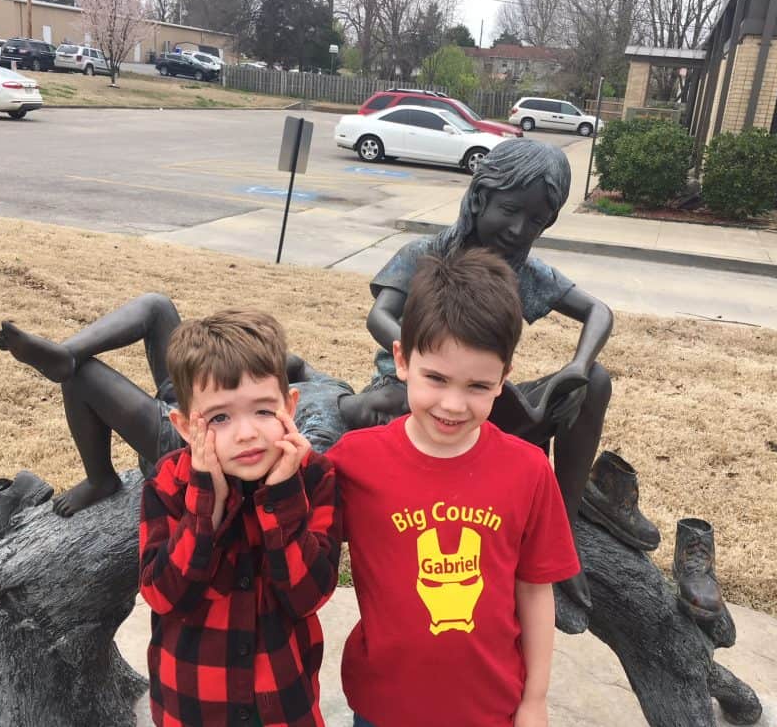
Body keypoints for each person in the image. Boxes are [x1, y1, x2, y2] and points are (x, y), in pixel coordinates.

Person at [329, 248, 579, 727]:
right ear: (402, 360)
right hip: (383, 706)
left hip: (490, 707)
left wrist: (535, 699)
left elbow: (535, 590)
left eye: (477, 387)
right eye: (436, 378)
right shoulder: (354, 462)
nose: (453, 403)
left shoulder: (528, 471)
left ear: (504, 378)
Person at [362, 137, 614, 609]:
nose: (520, 230)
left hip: (482, 402)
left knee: (596, 382)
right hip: (411, 393)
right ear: (479, 197)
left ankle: (564, 527)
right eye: (511, 210)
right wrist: (426, 365)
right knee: (397, 403)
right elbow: (379, 316)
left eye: (536, 221)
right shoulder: (426, 253)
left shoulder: (523, 271)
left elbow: (599, 312)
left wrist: (577, 366)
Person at [0, 294, 403, 517]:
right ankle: (67, 351)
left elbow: (282, 466)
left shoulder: (327, 439)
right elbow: (294, 364)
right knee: (156, 307)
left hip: (189, 442)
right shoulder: (334, 385)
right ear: (385, 381)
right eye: (393, 405)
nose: (387, 417)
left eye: (392, 424)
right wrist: (244, 368)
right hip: (206, 395)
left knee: (83, 378)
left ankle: (100, 478)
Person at [138, 309, 342, 727]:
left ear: (290, 405)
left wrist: (283, 496)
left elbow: (309, 596)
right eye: (219, 418)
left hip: (285, 707)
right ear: (183, 425)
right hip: (192, 707)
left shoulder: (315, 477)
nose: (246, 433)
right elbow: (163, 596)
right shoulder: (169, 484)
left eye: (264, 411)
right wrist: (206, 506)